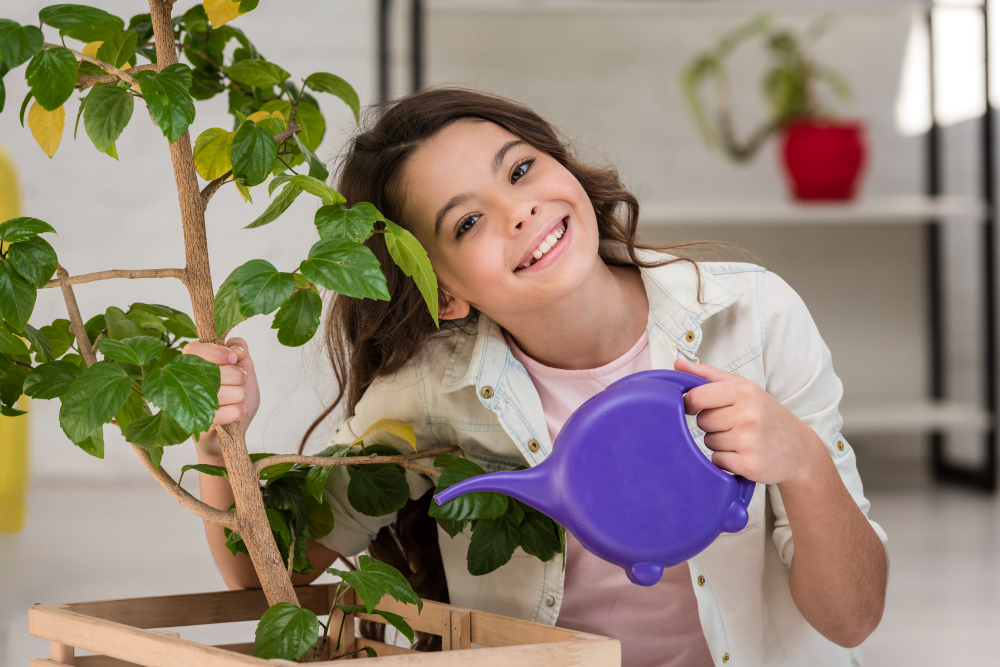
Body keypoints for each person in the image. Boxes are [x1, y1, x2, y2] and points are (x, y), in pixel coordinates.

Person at [186, 87, 888, 666]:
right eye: (466, 223)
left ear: (564, 168)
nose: (518, 210)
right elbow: (270, 577)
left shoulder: (754, 315)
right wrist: (219, 445)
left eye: (519, 170)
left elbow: (853, 618)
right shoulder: (432, 393)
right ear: (447, 293)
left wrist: (799, 459)